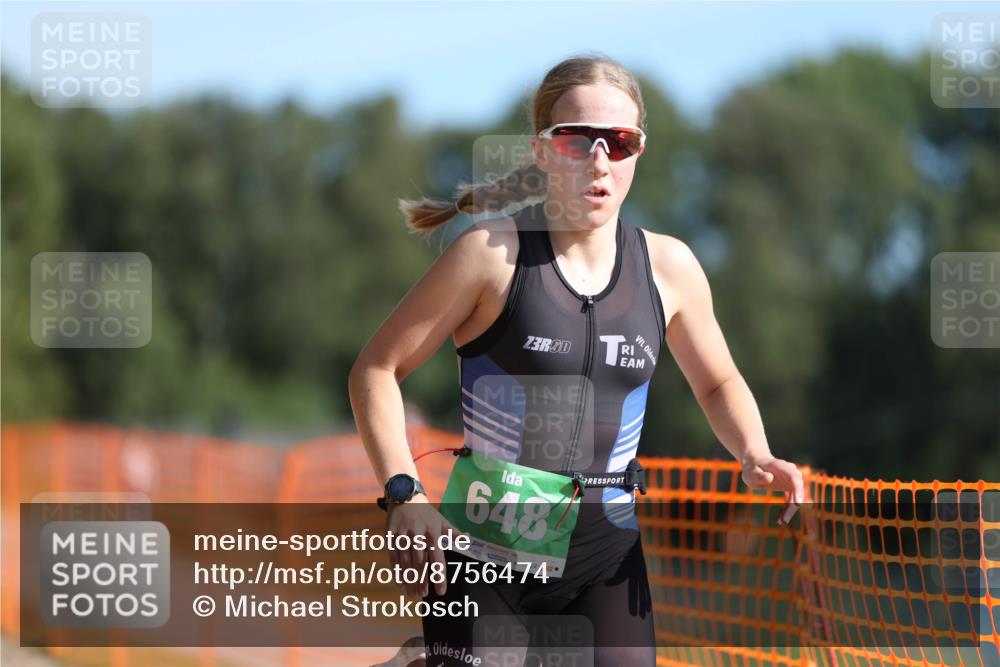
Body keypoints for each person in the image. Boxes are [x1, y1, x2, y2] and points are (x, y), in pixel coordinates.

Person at [349, 53, 806, 667]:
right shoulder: (490, 254)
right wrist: (405, 495)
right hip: (486, 548)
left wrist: (755, 450)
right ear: (542, 151)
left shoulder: (669, 267)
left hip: (607, 556)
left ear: (638, 151)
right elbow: (376, 369)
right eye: (575, 140)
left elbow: (718, 379)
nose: (598, 160)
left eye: (619, 142)